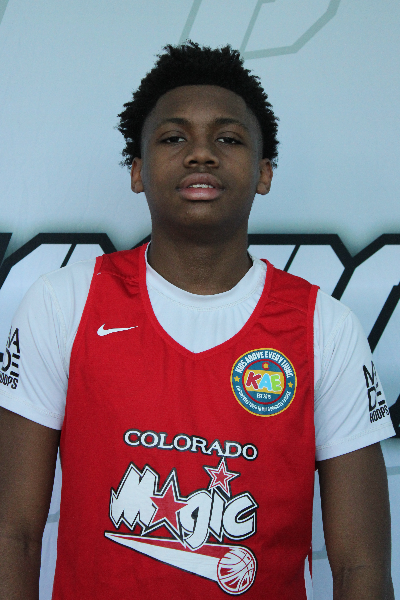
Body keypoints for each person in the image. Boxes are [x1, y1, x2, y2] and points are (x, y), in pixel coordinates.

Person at [0, 42, 395, 600]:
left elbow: (362, 566)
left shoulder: (324, 328)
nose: (201, 154)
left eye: (228, 139)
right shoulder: (64, 303)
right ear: (138, 171)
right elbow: (12, 533)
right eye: (173, 138)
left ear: (264, 172)